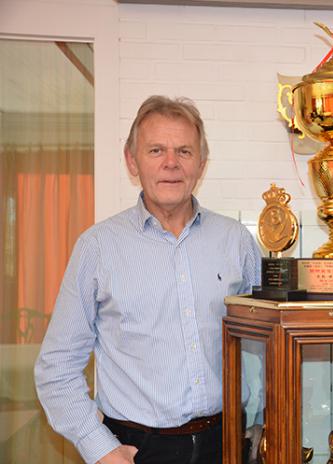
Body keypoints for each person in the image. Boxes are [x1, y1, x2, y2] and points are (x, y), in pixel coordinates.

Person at [35, 95, 261, 464]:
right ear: (132, 160)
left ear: (201, 163)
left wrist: (260, 424)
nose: (171, 163)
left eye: (184, 151)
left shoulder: (236, 241)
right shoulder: (98, 246)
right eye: (156, 150)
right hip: (136, 449)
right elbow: (56, 366)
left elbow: (260, 349)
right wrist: (101, 449)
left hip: (227, 443)